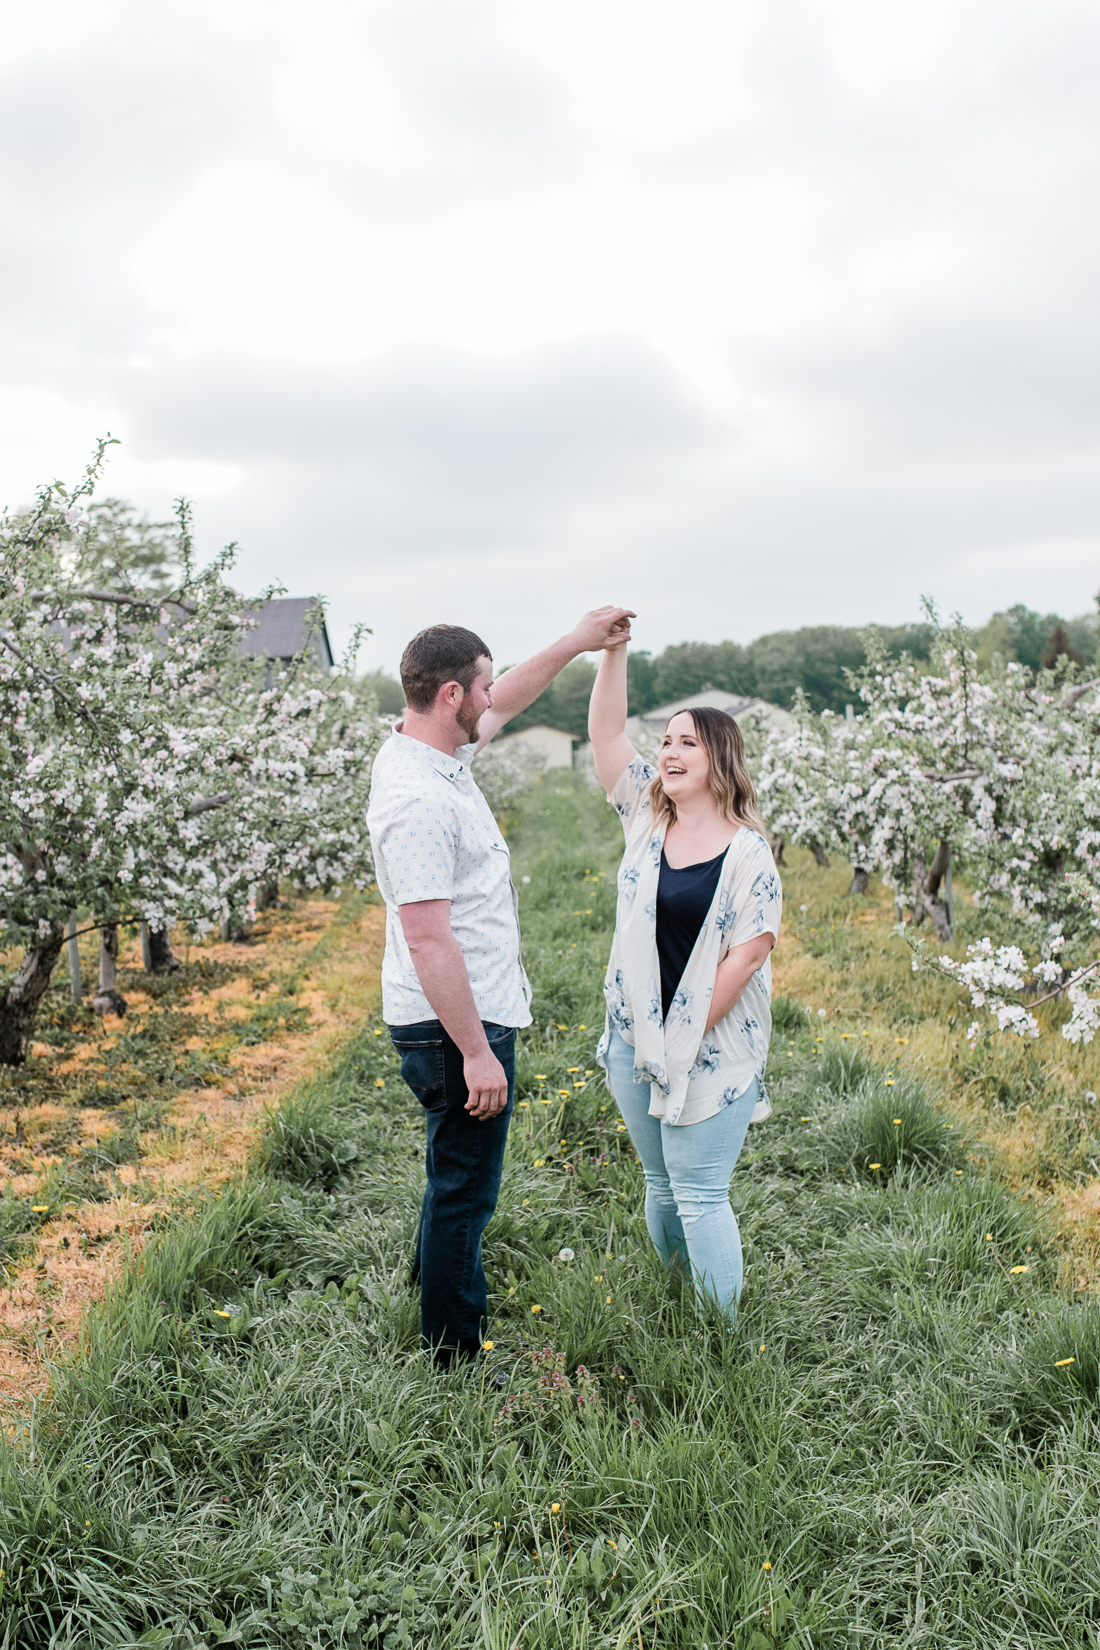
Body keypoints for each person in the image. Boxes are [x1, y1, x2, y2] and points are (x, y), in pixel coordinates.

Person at [367, 608, 634, 1365]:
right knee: (465, 1192)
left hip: (462, 1015)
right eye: (482, 687)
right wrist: (477, 1053)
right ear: (452, 694)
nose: (493, 699)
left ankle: (429, 1292)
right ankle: (452, 1357)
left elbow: (512, 696)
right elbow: (427, 936)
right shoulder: (417, 799)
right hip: (456, 1026)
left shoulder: (433, 754)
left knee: (449, 1171)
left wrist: (581, 642)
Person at [588, 638, 781, 1322]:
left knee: (700, 1192)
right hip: (633, 1037)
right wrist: (614, 651)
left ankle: (724, 1337)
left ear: (719, 760)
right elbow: (606, 732)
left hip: (712, 1045)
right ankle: (679, 1302)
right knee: (661, 1185)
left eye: (687, 744)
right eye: (666, 741)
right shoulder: (646, 819)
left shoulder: (749, 855)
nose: (669, 753)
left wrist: (683, 1035)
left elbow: (747, 956)